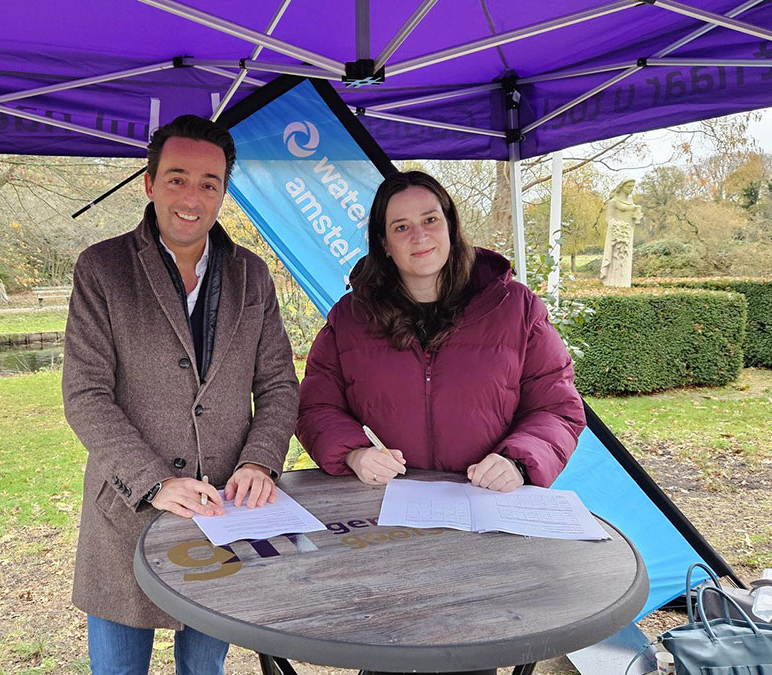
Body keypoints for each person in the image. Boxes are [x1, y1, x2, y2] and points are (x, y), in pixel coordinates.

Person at [297, 171, 585, 675]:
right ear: (383, 243)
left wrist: (519, 461)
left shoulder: (516, 308)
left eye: (430, 220)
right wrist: (354, 453)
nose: (420, 236)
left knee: (471, 652)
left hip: (489, 523)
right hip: (391, 526)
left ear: (451, 226)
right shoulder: (350, 317)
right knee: (391, 648)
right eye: (401, 227)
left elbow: (557, 407)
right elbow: (316, 406)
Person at [62, 115, 299, 675]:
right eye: (176, 178)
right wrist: (156, 483)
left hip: (222, 514)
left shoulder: (252, 276)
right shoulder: (103, 268)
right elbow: (85, 395)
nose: (192, 197)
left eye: (209, 183)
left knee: (204, 670)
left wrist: (260, 460)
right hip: (125, 515)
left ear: (224, 190)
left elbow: (279, 385)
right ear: (149, 183)